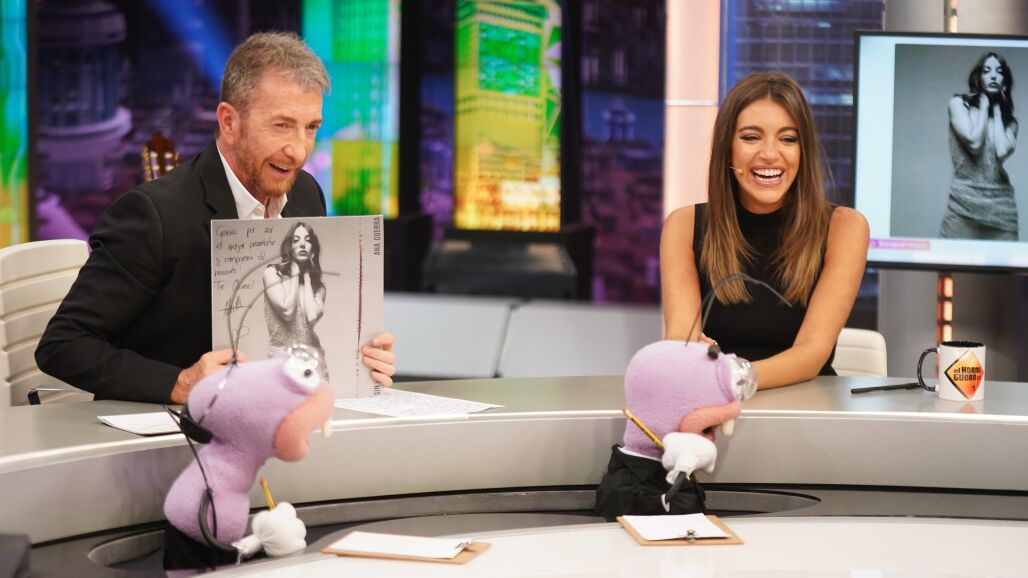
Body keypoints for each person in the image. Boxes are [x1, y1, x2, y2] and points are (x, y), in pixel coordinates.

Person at [36, 32, 396, 404]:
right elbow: (64, 344)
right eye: (281, 125)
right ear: (229, 122)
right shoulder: (153, 215)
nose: (298, 151)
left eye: (311, 128)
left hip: (279, 413)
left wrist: (356, 355)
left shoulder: (305, 192)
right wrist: (180, 383)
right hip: (174, 428)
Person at [660, 72, 869, 390]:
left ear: (803, 150)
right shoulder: (684, 225)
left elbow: (812, 353)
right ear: (728, 147)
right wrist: (691, 357)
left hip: (804, 408)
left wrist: (730, 376)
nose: (770, 154)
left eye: (788, 139)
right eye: (751, 137)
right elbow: (681, 339)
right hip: (711, 403)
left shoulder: (844, 228)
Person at [941, 52, 1019, 241]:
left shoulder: (1011, 123)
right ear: (979, 77)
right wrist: (984, 104)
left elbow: (1001, 151)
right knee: (949, 260)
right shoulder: (959, 105)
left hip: (1002, 212)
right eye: (987, 71)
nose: (993, 75)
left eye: (999, 72)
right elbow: (974, 143)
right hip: (962, 207)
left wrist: (997, 108)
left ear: (1004, 83)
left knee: (1003, 262)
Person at [264, 221, 327, 364]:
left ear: (313, 251)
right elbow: (287, 311)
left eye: (308, 240)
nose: (302, 244)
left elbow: (311, 317)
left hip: (312, 358)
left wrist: (306, 276)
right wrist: (294, 272)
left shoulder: (319, 287)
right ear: (289, 248)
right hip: (280, 357)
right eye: (296, 240)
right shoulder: (272, 273)